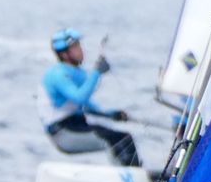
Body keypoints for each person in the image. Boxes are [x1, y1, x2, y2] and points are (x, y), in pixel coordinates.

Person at [41, 29, 140, 167]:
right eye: (75, 47)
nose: (81, 50)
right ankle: (129, 176)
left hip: (77, 125)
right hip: (63, 133)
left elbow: (86, 106)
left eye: (79, 45)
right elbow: (79, 98)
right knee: (115, 140)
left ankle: (135, 174)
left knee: (124, 138)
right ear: (64, 54)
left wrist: (111, 114)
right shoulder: (57, 74)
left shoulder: (77, 72)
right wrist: (97, 72)